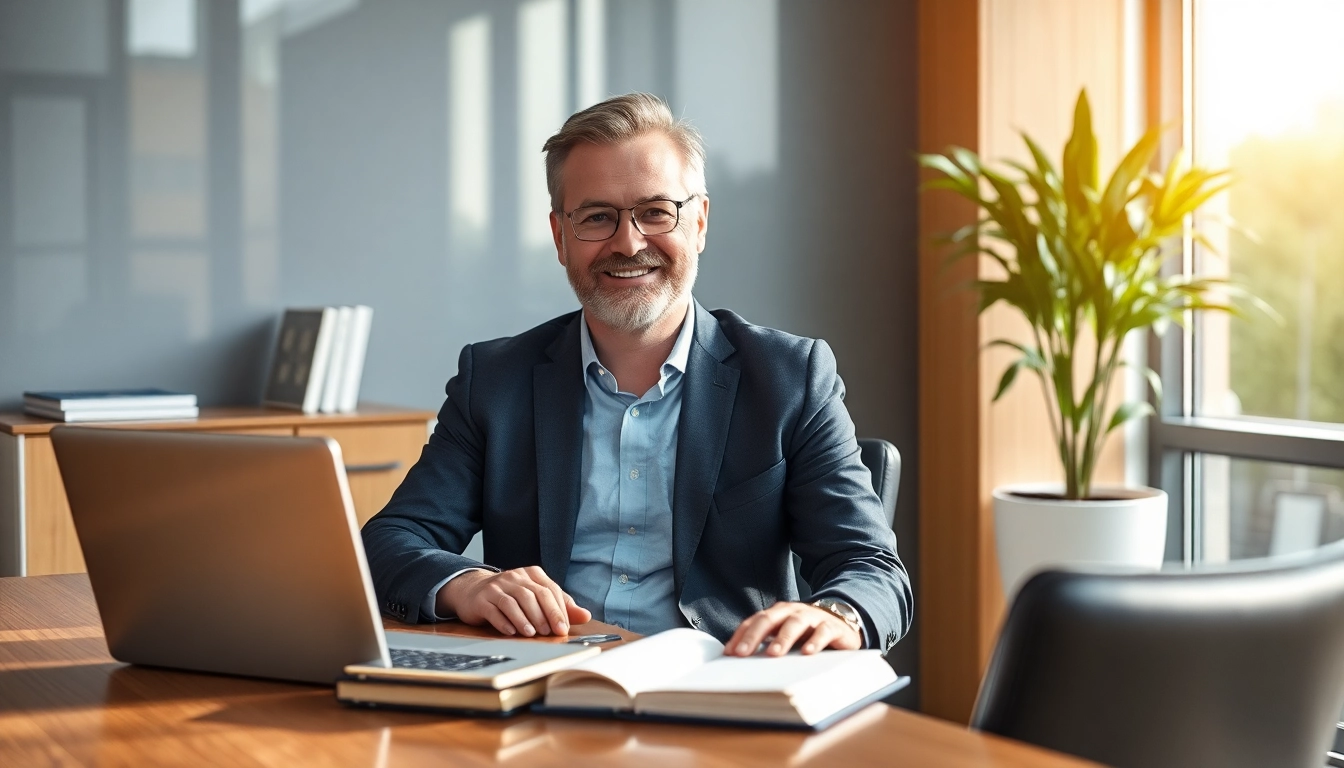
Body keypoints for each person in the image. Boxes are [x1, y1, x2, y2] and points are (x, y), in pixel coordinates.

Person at [362, 93, 911, 657]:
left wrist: (837, 614)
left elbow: (870, 566)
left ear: (698, 222)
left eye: (655, 212)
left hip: (721, 686)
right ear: (560, 237)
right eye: (597, 217)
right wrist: (468, 583)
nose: (628, 243)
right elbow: (390, 540)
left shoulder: (790, 377)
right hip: (543, 678)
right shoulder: (495, 380)